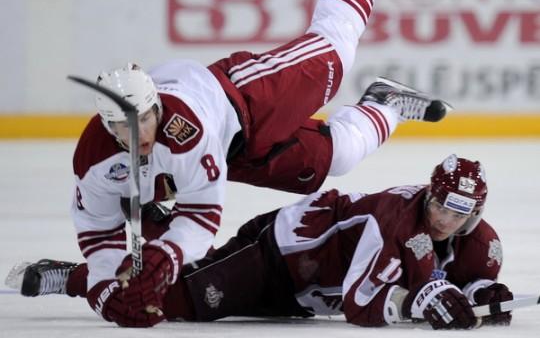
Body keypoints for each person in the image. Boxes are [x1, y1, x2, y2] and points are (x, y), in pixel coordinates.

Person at [6, 0, 452, 327]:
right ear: (108, 127)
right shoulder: (95, 160)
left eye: (146, 119)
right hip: (230, 153)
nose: (141, 134)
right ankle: (386, 102)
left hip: (244, 99)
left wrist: (166, 252)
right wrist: (105, 288)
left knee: (334, 53)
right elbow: (98, 230)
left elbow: (203, 213)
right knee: (338, 157)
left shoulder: (185, 130)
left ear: (155, 106)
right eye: (125, 129)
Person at [7, 155, 513, 330]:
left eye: (461, 211)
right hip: (277, 255)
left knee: (186, 282)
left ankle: (161, 224)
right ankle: (72, 275)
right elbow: (362, 303)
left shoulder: (482, 244)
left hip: (303, 296)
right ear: (428, 193)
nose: (446, 218)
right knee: (169, 301)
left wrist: (480, 296)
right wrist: (426, 300)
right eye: (441, 204)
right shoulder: (394, 218)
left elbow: (461, 284)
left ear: (478, 211)